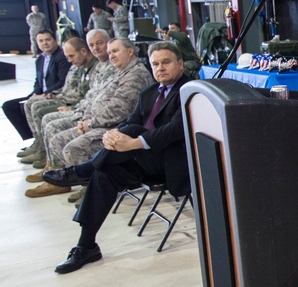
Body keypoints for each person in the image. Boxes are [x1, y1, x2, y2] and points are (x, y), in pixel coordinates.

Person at [43, 42, 192, 274]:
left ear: (180, 64)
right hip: (141, 160)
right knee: (105, 175)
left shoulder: (189, 91)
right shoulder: (149, 92)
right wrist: (113, 135)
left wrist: (132, 141)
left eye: (166, 62)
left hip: (168, 164)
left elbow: (174, 130)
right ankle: (86, 245)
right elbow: (130, 121)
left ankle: (81, 171)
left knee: (132, 133)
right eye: (155, 64)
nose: (160, 68)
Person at [25, 37, 152, 198]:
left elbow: (119, 109)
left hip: (117, 128)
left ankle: (93, 189)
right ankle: (62, 178)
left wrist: (90, 124)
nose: (111, 55)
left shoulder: (135, 75)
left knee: (72, 149)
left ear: (130, 51)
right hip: (97, 122)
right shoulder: (119, 72)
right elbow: (94, 98)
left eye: (115, 51)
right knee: (58, 139)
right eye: (110, 52)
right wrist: (85, 119)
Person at [18, 37, 98, 163]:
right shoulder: (77, 65)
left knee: (42, 113)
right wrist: (54, 94)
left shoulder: (95, 67)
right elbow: (67, 87)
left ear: (83, 51)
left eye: (71, 56)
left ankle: (51, 160)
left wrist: (72, 107)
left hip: (76, 104)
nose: (69, 60)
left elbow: (89, 95)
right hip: (67, 99)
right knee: (31, 104)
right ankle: (40, 146)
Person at [3, 30, 70, 142]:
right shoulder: (40, 59)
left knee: (27, 106)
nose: (45, 43)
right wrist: (35, 93)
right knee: (9, 106)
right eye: (41, 41)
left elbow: (62, 82)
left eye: (48, 40)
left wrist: (44, 94)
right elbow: (38, 81)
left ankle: (39, 141)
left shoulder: (61, 57)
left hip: (54, 94)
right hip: (40, 94)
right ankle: (32, 138)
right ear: (37, 43)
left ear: (55, 41)